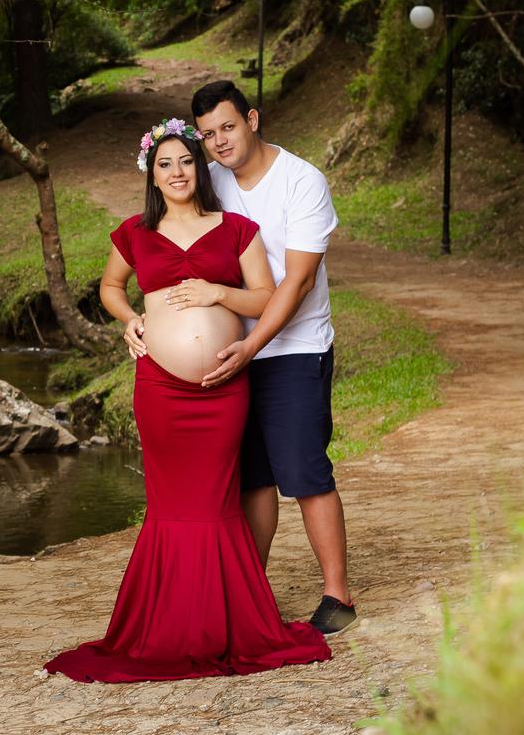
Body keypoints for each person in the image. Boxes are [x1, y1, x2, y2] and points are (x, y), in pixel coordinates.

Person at [43, 119, 331, 683]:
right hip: (159, 390)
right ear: (152, 175)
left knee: (217, 502)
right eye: (165, 165)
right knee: (171, 506)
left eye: (186, 161)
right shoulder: (133, 232)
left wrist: (217, 291)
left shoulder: (237, 230)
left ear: (202, 167)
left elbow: (266, 297)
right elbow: (109, 287)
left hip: (223, 392)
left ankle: (226, 622)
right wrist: (130, 320)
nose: (177, 172)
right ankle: (167, 624)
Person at [175, 80, 357, 638]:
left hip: (295, 349)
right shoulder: (214, 184)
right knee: (250, 479)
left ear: (252, 119)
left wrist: (251, 347)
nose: (220, 142)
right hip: (232, 351)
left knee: (303, 472)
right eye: (208, 135)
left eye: (228, 127)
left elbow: (297, 282)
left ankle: (338, 596)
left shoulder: (302, 181)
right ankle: (250, 592)